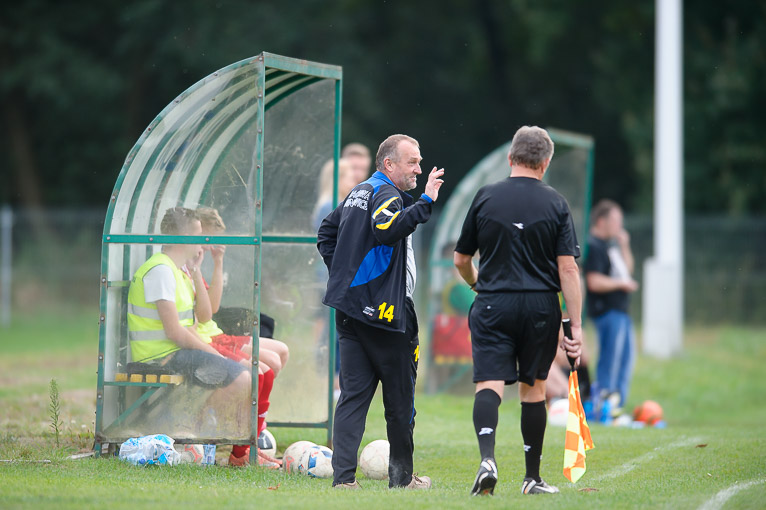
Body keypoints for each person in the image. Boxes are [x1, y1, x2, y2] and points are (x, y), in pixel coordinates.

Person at [453, 126, 583, 496]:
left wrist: (478, 283)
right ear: (546, 163)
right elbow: (568, 270)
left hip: (493, 302)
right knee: (534, 388)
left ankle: (487, 459)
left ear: (510, 158)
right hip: (540, 307)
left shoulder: (485, 196)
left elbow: (461, 259)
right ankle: (531, 478)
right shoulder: (556, 203)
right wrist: (574, 326)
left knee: (489, 382)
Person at [317, 134, 444, 490]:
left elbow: (326, 233)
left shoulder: (360, 190)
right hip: (385, 314)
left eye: (419, 162)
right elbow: (387, 229)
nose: (419, 169)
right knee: (400, 400)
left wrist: (348, 279)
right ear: (389, 164)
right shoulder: (387, 193)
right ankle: (402, 481)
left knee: (353, 397)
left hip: (350, 310)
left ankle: (344, 480)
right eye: (412, 162)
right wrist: (425, 202)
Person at [126, 207, 251, 438]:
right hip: (161, 357)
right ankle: (197, 430)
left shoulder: (175, 270)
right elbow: (174, 332)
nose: (203, 240)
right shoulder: (161, 270)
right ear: (183, 238)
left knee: (243, 375)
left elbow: (194, 323)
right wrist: (215, 354)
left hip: (175, 352)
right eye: (198, 234)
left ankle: (200, 431)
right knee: (242, 379)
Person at [191, 206, 289, 467]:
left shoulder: (195, 264)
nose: (212, 244)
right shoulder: (185, 267)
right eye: (208, 237)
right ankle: (242, 434)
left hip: (214, 333)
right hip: (207, 339)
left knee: (278, 355)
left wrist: (218, 261)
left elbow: (210, 309)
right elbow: (204, 315)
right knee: (267, 367)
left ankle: (251, 431)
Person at [584, 199, 638, 418]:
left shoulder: (611, 245)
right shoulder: (593, 246)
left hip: (621, 312)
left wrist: (624, 245)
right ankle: (604, 406)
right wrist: (620, 284)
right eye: (615, 220)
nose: (619, 226)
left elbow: (628, 270)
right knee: (610, 360)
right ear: (601, 221)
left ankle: (618, 405)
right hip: (607, 312)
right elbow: (593, 281)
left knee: (626, 360)